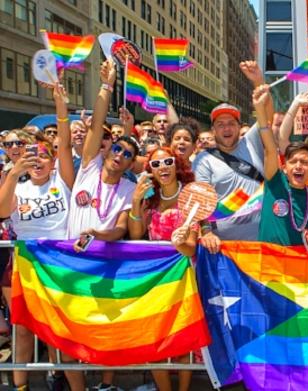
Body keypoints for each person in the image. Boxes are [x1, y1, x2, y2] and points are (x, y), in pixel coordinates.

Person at [0, 83, 80, 391]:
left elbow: (63, 139)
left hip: (60, 265)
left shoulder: (63, 179)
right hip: (27, 265)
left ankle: (67, 381)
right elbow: (3, 211)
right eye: (31, 156)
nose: (37, 161)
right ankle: (20, 385)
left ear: (53, 158)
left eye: (43, 155)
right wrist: (13, 172)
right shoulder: (17, 184)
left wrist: (60, 104)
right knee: (23, 331)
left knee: (61, 330)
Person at [66, 59, 137, 391]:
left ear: (129, 163)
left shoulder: (127, 189)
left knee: (105, 330)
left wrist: (96, 233)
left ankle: (106, 385)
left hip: (105, 266)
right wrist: (106, 85)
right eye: (117, 148)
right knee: (67, 333)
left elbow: (121, 230)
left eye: (126, 153)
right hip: (68, 263)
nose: (119, 154)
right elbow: (96, 126)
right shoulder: (89, 166)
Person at [128, 146, 197, 391]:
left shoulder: (191, 197)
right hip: (156, 279)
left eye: (167, 161)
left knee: (184, 339)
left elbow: (191, 247)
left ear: (176, 164)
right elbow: (136, 234)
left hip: (186, 278)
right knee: (154, 339)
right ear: (150, 171)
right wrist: (136, 201)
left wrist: (182, 244)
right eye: (155, 164)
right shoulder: (149, 200)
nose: (162, 167)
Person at [254, 85, 308, 260]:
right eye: (293, 161)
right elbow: (271, 148)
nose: (299, 166)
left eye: (305, 162)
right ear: (284, 166)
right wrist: (260, 111)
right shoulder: (275, 181)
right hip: (267, 266)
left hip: (299, 268)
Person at [193, 102, 264, 251]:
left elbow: (267, 113)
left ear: (239, 126)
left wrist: (258, 83)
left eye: (231, 123)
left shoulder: (252, 143)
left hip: (262, 241)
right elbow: (201, 200)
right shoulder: (203, 160)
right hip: (224, 247)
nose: (227, 128)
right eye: (220, 124)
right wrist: (206, 232)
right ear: (213, 130)